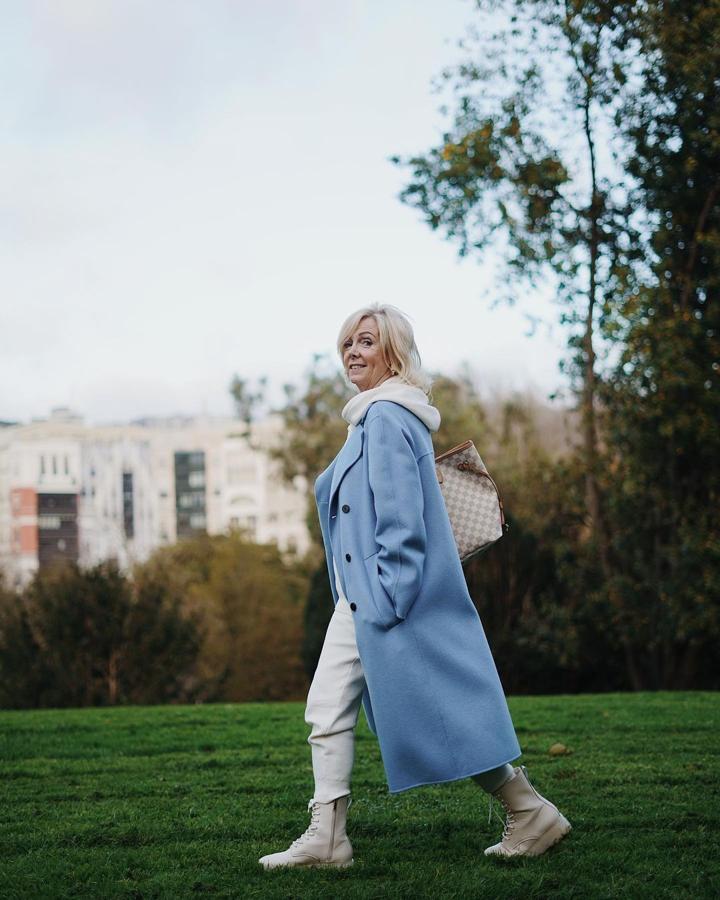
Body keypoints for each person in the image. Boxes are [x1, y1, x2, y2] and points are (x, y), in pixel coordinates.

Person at [259, 304, 571, 869]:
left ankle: (333, 838)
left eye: (367, 342)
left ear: (394, 355)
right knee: (395, 709)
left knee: (364, 708)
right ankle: (525, 812)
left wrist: (386, 599)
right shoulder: (379, 416)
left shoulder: (384, 418)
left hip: (378, 598)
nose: (353, 352)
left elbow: (400, 520)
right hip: (369, 596)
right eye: (348, 343)